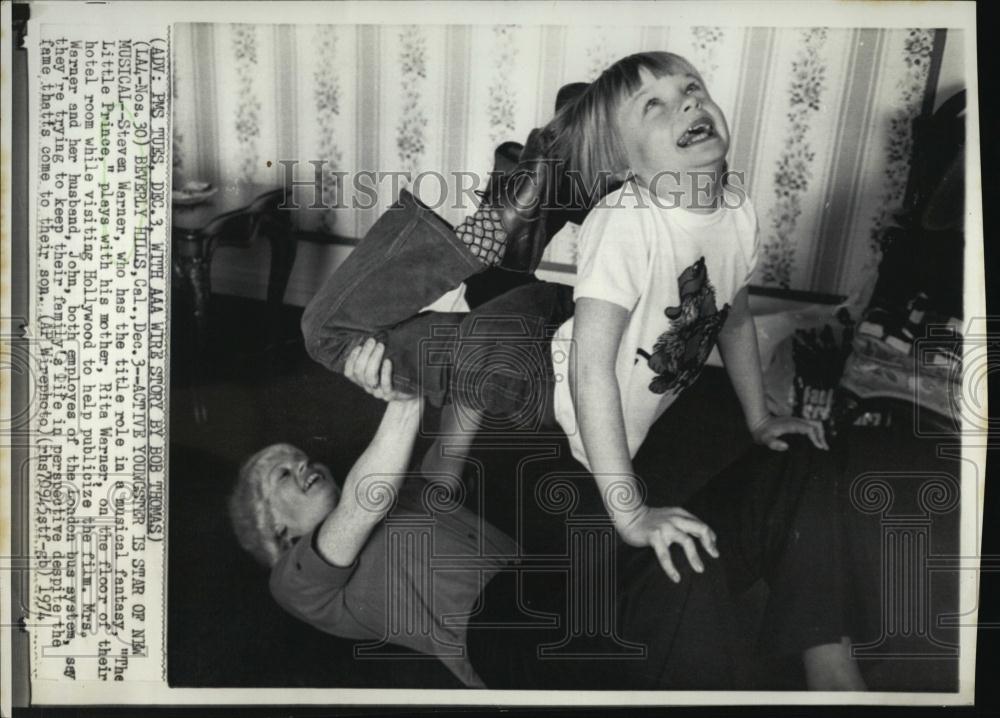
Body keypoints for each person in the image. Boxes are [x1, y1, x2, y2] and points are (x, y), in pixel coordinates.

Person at [291, 50, 867, 687]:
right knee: (329, 334)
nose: (689, 103)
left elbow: (731, 308)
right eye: (655, 105)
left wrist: (760, 418)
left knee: (499, 320)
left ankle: (529, 202)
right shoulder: (624, 225)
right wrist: (628, 511)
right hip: (539, 387)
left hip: (547, 337)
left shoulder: (736, 208)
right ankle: (513, 212)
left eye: (692, 89)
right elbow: (589, 372)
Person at [230, 342, 864, 690]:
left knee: (792, 453)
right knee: (684, 573)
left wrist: (467, 345)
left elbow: (459, 423)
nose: (304, 463)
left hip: (576, 588)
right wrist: (401, 398)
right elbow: (363, 501)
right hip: (506, 635)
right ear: (276, 533)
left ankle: (830, 672)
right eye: (281, 473)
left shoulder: (409, 495)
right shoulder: (297, 581)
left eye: (300, 456)